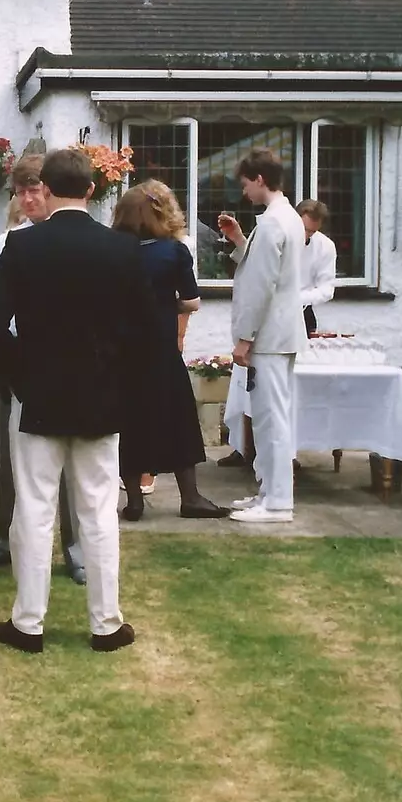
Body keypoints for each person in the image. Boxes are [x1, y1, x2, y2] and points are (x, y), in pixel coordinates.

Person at [0, 147, 148, 655]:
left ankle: (28, 623)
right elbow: (143, 333)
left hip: (39, 396)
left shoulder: (21, 247)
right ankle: (106, 624)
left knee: (32, 510)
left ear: (48, 191)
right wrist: (120, 382)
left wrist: (19, 374)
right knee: (99, 510)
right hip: (101, 396)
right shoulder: (124, 249)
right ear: (92, 191)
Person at [0, 155, 86, 584]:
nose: (28, 197)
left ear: (52, 191)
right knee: (10, 456)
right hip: (20, 361)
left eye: (35, 188)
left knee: (72, 464)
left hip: (67, 364)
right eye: (21, 190)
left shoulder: (76, 236)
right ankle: (6, 538)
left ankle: (74, 547)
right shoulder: (10, 241)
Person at [110, 182, 230, 520]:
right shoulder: (173, 251)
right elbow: (191, 300)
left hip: (122, 351)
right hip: (160, 348)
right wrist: (165, 302)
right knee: (177, 419)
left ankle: (133, 500)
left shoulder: (114, 249)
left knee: (129, 421)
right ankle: (190, 497)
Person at [216, 147, 307, 524]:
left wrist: (245, 338)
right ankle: (270, 493)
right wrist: (240, 241)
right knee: (272, 416)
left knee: (271, 419)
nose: (244, 193)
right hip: (280, 334)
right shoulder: (285, 217)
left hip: (270, 336)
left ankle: (278, 503)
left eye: (246, 185)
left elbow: (262, 285)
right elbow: (267, 268)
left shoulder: (272, 222)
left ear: (260, 179)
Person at [297, 199, 337, 335]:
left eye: (312, 232)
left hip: (303, 313)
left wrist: (296, 299)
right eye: (303, 229)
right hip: (272, 313)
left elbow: (326, 289)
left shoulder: (325, 246)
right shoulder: (277, 240)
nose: (305, 235)